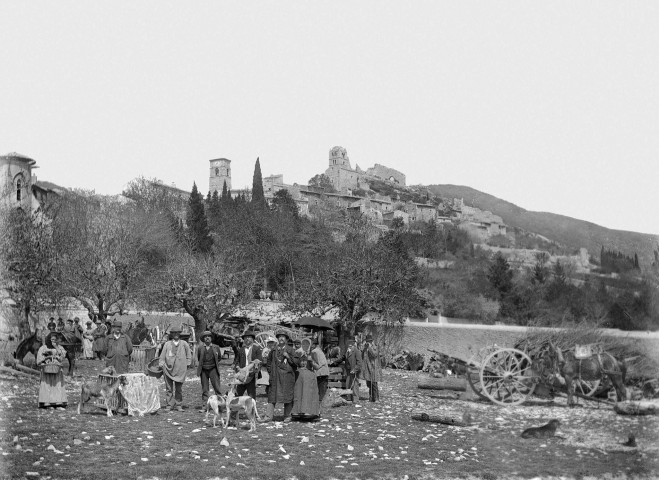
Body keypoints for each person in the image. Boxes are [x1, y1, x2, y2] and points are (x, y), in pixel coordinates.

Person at [261, 330, 297, 423]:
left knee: (288, 396)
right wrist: (271, 372)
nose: (281, 338)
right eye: (280, 337)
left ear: (286, 339)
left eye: (283, 337)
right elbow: (268, 363)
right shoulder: (273, 350)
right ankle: (268, 416)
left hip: (287, 378)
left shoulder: (291, 350)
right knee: (272, 396)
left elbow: (297, 363)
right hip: (275, 377)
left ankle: (287, 416)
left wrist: (288, 357)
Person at [159, 325, 191, 411]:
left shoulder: (184, 344)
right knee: (169, 389)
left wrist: (187, 363)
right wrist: (161, 363)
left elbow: (189, 355)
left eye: (177, 333)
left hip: (180, 369)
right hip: (168, 369)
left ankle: (178, 405)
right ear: (171, 334)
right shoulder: (167, 344)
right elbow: (162, 356)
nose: (176, 334)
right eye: (174, 333)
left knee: (179, 389)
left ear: (179, 334)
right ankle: (169, 405)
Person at [291, 338, 320, 421]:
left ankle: (309, 412)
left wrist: (311, 361)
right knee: (298, 394)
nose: (305, 346)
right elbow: (293, 363)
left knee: (308, 394)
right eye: (303, 344)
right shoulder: (297, 353)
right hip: (299, 376)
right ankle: (297, 411)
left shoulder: (313, 353)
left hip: (309, 377)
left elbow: (317, 367)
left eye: (307, 344)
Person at [36, 333, 68, 408]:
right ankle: (46, 402)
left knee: (57, 385)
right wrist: (46, 358)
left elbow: (62, 357)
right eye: (51, 339)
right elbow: (39, 359)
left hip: (56, 368)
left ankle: (58, 402)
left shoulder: (59, 347)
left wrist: (56, 348)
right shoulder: (43, 348)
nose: (52, 341)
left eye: (54, 339)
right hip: (46, 368)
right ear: (48, 339)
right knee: (47, 385)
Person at [196, 331, 222, 411]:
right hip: (203, 370)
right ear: (203, 339)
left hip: (213, 369)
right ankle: (205, 406)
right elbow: (199, 357)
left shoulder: (216, 347)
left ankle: (220, 405)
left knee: (217, 388)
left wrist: (213, 365)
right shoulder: (200, 348)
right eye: (205, 337)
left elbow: (219, 358)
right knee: (205, 389)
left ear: (211, 338)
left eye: (209, 336)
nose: (207, 338)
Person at [232, 331, 262, 400]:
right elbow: (236, 361)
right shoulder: (241, 350)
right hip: (242, 376)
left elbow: (260, 361)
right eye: (246, 337)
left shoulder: (256, 349)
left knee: (251, 396)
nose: (247, 339)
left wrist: (254, 367)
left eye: (249, 337)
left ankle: (252, 410)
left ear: (252, 339)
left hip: (252, 375)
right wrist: (237, 368)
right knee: (237, 395)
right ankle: (234, 410)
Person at [360, 334, 381, 402]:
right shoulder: (366, 347)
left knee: (374, 383)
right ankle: (371, 398)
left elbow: (375, 355)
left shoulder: (375, 347)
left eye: (369, 341)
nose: (368, 342)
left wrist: (369, 348)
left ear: (372, 341)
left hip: (373, 367)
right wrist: (364, 349)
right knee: (368, 383)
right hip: (367, 368)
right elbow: (362, 356)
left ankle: (376, 398)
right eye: (367, 341)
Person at [311, 338, 330, 404]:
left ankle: (320, 403)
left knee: (320, 389)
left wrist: (311, 362)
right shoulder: (320, 351)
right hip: (324, 372)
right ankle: (321, 402)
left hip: (320, 373)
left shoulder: (314, 351)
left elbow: (318, 364)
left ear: (314, 344)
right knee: (322, 389)